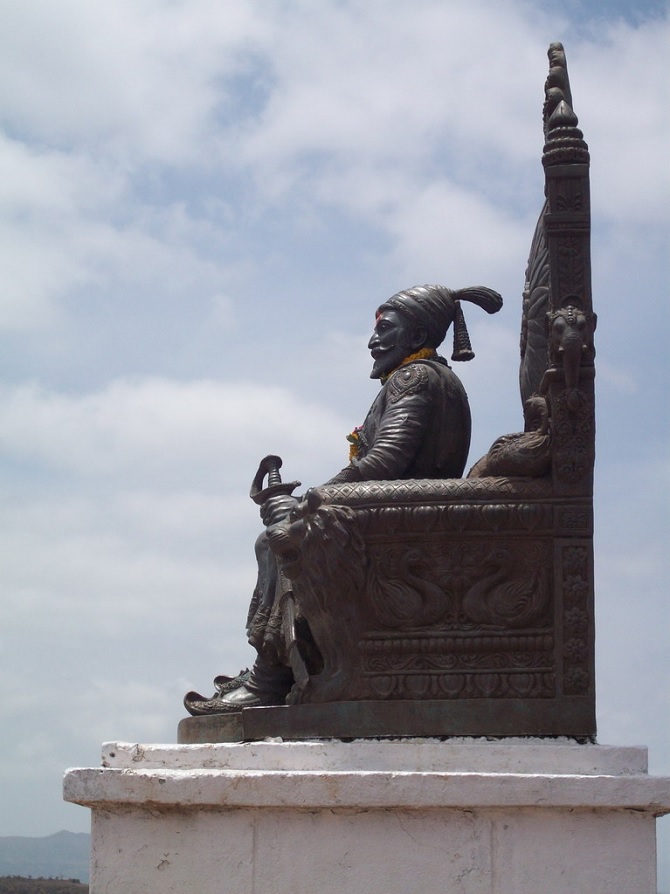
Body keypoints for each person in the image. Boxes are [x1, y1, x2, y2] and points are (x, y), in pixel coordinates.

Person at [184, 283, 502, 715]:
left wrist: (313, 501)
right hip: (403, 509)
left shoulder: (416, 377)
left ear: (414, 337)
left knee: (283, 539)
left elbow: (386, 460)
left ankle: (270, 676)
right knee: (284, 532)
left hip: (398, 516)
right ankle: (275, 669)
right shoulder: (431, 379)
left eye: (386, 329)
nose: (373, 340)